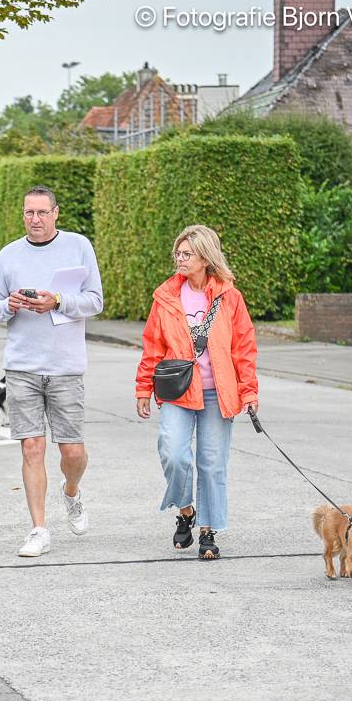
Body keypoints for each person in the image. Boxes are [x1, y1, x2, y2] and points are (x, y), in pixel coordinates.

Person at [0, 185, 103, 558]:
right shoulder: (8, 255)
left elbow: (96, 301)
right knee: (32, 447)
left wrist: (59, 300)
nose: (35, 219)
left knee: (72, 451)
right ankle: (38, 529)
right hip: (22, 366)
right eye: (28, 213)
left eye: (41, 213)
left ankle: (72, 491)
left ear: (56, 213)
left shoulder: (79, 246)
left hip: (65, 367)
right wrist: (10, 305)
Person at [135, 224, 259, 561]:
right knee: (174, 454)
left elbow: (243, 348)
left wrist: (249, 392)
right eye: (177, 252)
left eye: (186, 253)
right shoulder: (165, 297)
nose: (179, 258)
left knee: (213, 463)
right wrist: (143, 388)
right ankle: (186, 511)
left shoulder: (230, 298)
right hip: (177, 391)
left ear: (205, 257)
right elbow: (152, 346)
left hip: (218, 394)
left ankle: (208, 530)